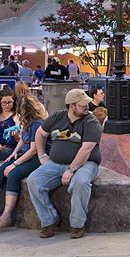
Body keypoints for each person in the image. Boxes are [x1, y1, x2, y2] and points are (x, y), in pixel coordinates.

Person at [27, 89, 102, 239]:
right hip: (55, 163)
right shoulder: (57, 117)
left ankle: (77, 225)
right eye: (82, 104)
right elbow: (40, 133)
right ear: (72, 106)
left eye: (87, 103)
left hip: (86, 164)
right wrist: (42, 155)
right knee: (34, 181)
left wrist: (71, 169)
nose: (87, 106)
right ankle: (49, 221)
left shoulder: (91, 121)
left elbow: (86, 149)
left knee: (80, 183)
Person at [0, 94, 48, 228]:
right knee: (1, 170)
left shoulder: (37, 124)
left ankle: (7, 215)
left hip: (36, 158)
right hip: (24, 154)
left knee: (13, 174)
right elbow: (23, 140)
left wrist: (15, 164)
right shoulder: (27, 122)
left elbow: (33, 149)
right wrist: (13, 154)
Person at [0, 86, 19, 161]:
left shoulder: (16, 115)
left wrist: (16, 134)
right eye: (4, 102)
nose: (7, 105)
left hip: (8, 148)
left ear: (14, 102)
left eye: (9, 102)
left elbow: (19, 130)